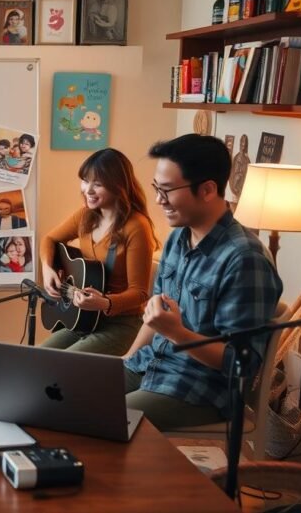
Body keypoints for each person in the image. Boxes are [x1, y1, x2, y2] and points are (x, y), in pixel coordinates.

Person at [122, 134, 282, 430]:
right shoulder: (177, 238)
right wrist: (125, 360)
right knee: (69, 395)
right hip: (149, 365)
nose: (158, 200)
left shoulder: (245, 259)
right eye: (157, 188)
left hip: (199, 390)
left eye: (167, 190)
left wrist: (177, 333)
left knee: (101, 417)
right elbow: (154, 319)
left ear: (208, 189)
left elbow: (240, 364)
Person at [39, 148, 157, 356]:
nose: (88, 190)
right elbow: (49, 239)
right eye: (85, 180)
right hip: (84, 318)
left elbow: (140, 293)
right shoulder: (86, 216)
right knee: (36, 358)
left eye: (98, 184)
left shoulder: (137, 226)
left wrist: (104, 302)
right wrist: (47, 268)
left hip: (120, 325)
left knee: (61, 366)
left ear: (118, 186)